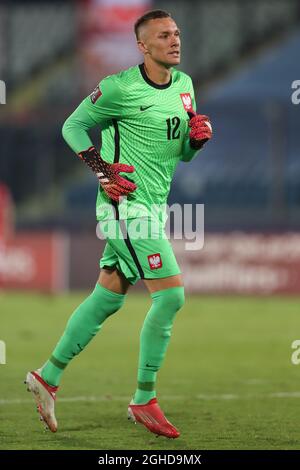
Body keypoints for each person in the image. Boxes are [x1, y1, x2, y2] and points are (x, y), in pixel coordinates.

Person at [25, 9, 212, 439]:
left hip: (153, 207)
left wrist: (195, 144)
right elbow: (73, 126)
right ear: (143, 46)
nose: (175, 40)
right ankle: (144, 398)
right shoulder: (119, 88)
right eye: (164, 35)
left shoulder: (185, 88)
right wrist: (101, 169)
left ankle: (47, 376)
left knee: (107, 297)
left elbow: (180, 154)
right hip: (124, 208)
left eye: (177, 33)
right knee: (171, 298)